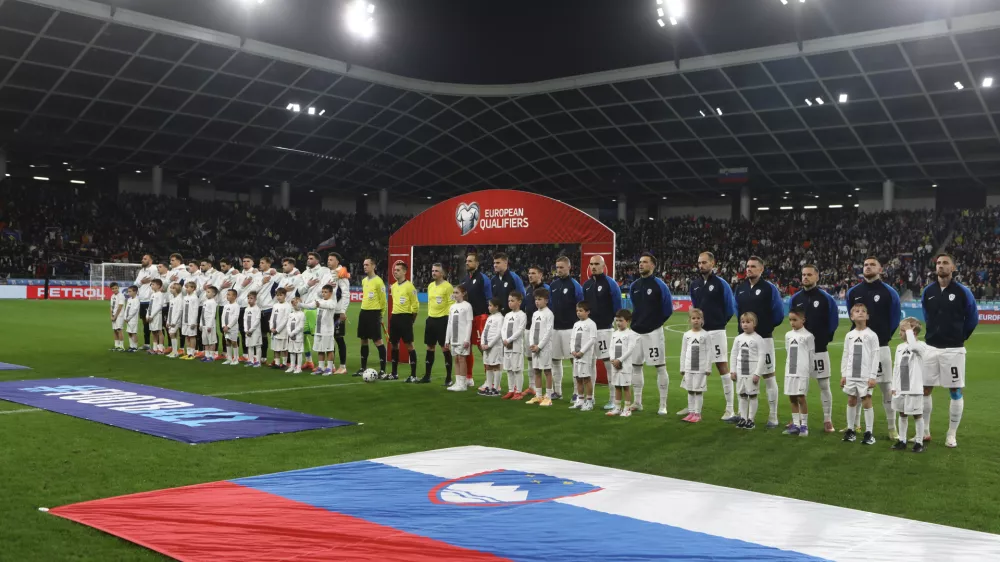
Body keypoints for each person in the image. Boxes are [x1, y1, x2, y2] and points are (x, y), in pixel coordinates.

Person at [921, 253, 978, 448]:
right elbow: (927, 315)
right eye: (938, 263)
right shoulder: (928, 291)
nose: (941, 266)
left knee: (955, 390)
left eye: (945, 263)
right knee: (925, 389)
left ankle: (951, 434)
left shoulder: (963, 292)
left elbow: (972, 318)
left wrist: (961, 337)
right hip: (930, 348)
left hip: (953, 350)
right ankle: (925, 431)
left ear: (953, 268)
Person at [846, 256, 902, 439]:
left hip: (882, 347)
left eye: (872, 265)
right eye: (865, 265)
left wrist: (884, 336)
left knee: (887, 388)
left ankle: (892, 427)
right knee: (857, 388)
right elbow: (851, 314)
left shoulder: (889, 292)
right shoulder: (854, 292)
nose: (868, 267)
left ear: (880, 269)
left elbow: (894, 319)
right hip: (858, 348)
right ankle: (855, 425)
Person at [789, 264, 840, 433]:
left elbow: (833, 322)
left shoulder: (826, 298)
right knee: (796, 387)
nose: (805, 277)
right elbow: (792, 321)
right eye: (803, 274)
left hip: (819, 349)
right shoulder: (796, 298)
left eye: (809, 274)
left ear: (817, 277)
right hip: (799, 352)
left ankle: (827, 419)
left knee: (824, 385)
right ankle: (797, 419)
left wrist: (824, 340)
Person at [734, 256, 784, 428]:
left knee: (769, 377)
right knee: (744, 377)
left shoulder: (769, 289)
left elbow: (778, 313)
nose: (749, 269)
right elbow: (737, 310)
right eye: (747, 266)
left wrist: (764, 329)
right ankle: (744, 416)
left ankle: (773, 416)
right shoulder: (740, 288)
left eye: (753, 266)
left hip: (764, 339)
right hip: (744, 341)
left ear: (761, 269)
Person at [688, 252, 737, 420]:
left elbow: (730, 308)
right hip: (700, 333)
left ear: (713, 263)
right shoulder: (694, 284)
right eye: (699, 263)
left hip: (716, 332)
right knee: (696, 368)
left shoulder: (721, 284)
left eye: (704, 262)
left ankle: (730, 408)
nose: (701, 265)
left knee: (722, 366)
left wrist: (718, 322)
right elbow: (696, 308)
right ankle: (693, 407)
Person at [627, 252, 673, 414]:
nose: (641, 265)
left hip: (653, 332)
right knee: (635, 367)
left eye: (645, 262)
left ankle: (663, 404)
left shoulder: (659, 285)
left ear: (653, 265)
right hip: (636, 332)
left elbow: (668, 309)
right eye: (640, 262)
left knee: (660, 367)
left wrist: (654, 324)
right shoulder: (634, 286)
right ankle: (637, 402)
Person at [582, 256, 623, 411]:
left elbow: (617, 306)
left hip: (605, 330)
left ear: (604, 266)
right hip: (589, 330)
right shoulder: (586, 285)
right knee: (589, 364)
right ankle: (590, 399)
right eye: (591, 264)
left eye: (596, 264)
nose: (593, 266)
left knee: (608, 364)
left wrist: (615, 322)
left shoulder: (610, 283)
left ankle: (613, 399)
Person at [840, 303, 880, 445]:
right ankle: (850, 430)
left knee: (866, 400)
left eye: (863, 311)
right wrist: (844, 374)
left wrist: (873, 376)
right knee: (851, 400)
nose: (860, 313)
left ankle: (869, 432)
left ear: (867, 316)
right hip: (851, 374)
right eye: (857, 311)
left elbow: (876, 356)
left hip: (865, 375)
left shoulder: (872, 335)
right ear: (851, 316)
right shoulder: (849, 335)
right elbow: (845, 355)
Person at [549, 256, 584, 401]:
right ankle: (557, 391)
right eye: (557, 267)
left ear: (569, 268)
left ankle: (577, 392)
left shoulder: (575, 285)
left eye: (562, 267)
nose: (559, 270)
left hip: (570, 328)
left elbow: (581, 306)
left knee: (574, 360)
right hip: (555, 329)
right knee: (555, 360)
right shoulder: (553, 285)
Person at [892, 318, 928, 453]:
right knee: (902, 414)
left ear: (912, 331)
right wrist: (894, 386)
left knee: (917, 414)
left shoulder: (922, 346)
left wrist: (909, 331)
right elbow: (896, 367)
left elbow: (913, 347)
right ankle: (902, 440)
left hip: (914, 388)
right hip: (901, 387)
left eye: (902, 330)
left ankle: (919, 442)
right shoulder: (899, 347)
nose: (900, 333)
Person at [461, 253, 493, 388]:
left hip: (481, 317)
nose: (467, 263)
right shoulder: (465, 280)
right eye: (466, 261)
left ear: (477, 263)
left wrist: (488, 316)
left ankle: (489, 380)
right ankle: (469, 377)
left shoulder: (483, 279)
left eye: (470, 261)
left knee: (483, 348)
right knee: (467, 347)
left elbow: (489, 298)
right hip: (468, 319)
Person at [730, 312, 767, 429]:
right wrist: (732, 370)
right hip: (740, 371)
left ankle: (751, 419)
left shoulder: (758, 339)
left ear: (754, 323)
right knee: (742, 395)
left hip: (752, 371)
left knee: (752, 395)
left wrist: (757, 373)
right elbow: (733, 354)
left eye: (748, 322)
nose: (745, 325)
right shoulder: (738, 338)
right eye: (743, 322)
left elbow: (762, 356)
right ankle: (743, 418)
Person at [782, 309, 814, 436]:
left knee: (801, 397)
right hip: (790, 370)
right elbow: (787, 351)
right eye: (790, 320)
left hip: (802, 371)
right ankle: (795, 425)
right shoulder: (788, 335)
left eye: (795, 320)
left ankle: (804, 426)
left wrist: (809, 371)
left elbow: (811, 355)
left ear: (803, 320)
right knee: (792, 397)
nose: (792, 323)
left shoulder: (808, 336)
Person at [357, 257, 388, 378]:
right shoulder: (364, 281)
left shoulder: (378, 281)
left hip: (374, 313)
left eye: (367, 265)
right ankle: (362, 368)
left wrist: (381, 315)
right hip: (363, 312)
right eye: (364, 265)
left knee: (377, 341)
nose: (365, 267)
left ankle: (382, 370)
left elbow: (383, 300)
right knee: (363, 340)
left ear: (373, 266)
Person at [423, 263, 454, 385]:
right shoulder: (430, 286)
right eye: (432, 270)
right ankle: (427, 376)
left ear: (442, 273)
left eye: (436, 271)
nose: (433, 272)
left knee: (445, 347)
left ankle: (448, 378)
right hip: (431, 319)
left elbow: (451, 304)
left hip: (443, 320)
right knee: (430, 347)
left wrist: (449, 321)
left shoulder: (448, 287)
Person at [521, 265, 549, 398]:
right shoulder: (527, 290)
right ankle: (532, 386)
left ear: (540, 275)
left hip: (542, 331)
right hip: (529, 329)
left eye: (533, 273)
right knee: (530, 357)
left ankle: (551, 390)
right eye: (529, 273)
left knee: (547, 361)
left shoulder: (546, 289)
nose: (530, 275)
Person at [679, 308, 711, 423]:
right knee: (690, 390)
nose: (696, 320)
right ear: (689, 320)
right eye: (693, 318)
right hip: (688, 367)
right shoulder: (686, 335)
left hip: (700, 367)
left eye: (698, 318)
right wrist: (682, 367)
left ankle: (698, 413)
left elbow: (708, 351)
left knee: (698, 390)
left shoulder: (705, 335)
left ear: (702, 320)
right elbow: (683, 351)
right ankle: (691, 412)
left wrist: (708, 367)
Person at [389, 261, 419, 382]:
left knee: (409, 345)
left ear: (404, 272)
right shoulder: (393, 286)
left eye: (398, 270)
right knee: (394, 344)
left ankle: (413, 375)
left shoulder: (410, 287)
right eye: (395, 270)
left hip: (406, 317)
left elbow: (415, 306)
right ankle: (394, 373)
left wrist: (411, 320)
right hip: (395, 317)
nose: (395, 272)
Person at [300, 252, 329, 372]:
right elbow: (300, 290)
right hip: (305, 307)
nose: (308, 260)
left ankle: (326, 363)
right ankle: (309, 361)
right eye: (308, 258)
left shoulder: (324, 271)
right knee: (302, 335)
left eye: (311, 258)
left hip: (317, 307)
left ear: (317, 261)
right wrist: (307, 285)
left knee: (319, 336)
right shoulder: (304, 274)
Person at [526, 288, 555, 406]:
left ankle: (548, 396)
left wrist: (540, 346)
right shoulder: (535, 314)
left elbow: (548, 332)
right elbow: (532, 330)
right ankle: (538, 396)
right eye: (536, 299)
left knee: (547, 371)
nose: (537, 302)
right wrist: (532, 343)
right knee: (536, 370)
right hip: (535, 347)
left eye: (540, 299)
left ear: (546, 301)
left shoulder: (549, 314)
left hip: (544, 347)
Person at [606, 309, 638, 418]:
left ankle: (627, 408)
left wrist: (620, 360)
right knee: (617, 386)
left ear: (628, 321)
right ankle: (617, 407)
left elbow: (630, 349)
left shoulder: (631, 334)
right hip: (615, 364)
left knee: (626, 387)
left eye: (621, 320)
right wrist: (612, 358)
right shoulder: (614, 334)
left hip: (625, 365)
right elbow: (611, 347)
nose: (618, 323)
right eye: (617, 320)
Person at [326, 253, 352, 374]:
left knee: (338, 338)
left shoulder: (342, 274)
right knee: (329, 338)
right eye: (328, 259)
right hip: (328, 311)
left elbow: (346, 294)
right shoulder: (328, 274)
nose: (329, 261)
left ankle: (343, 366)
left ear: (337, 261)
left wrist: (343, 311)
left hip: (337, 312)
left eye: (331, 260)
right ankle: (330, 365)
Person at [569, 301, 597, 411]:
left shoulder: (591, 324)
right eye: (577, 311)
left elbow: (592, 339)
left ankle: (589, 401)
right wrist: (572, 350)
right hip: (576, 355)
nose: (578, 313)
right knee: (578, 378)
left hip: (585, 356)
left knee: (586, 378)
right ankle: (580, 401)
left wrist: (582, 351)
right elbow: (572, 338)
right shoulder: (576, 324)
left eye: (581, 311)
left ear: (588, 312)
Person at [445, 285, 473, 392]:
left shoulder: (467, 306)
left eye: (457, 293)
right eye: (454, 293)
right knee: (456, 359)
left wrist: (467, 339)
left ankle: (463, 383)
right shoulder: (452, 307)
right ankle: (457, 382)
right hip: (454, 338)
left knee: (462, 359)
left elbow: (469, 323)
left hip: (462, 337)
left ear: (463, 293)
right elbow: (449, 323)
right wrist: (447, 339)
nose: (454, 295)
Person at [235, 256, 261, 361]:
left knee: (254, 330)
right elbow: (235, 291)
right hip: (240, 306)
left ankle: (255, 356)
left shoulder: (257, 274)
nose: (245, 263)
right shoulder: (240, 275)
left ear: (253, 262)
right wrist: (242, 285)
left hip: (251, 306)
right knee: (242, 330)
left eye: (248, 261)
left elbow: (257, 288)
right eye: (244, 261)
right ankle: (246, 354)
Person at [502, 291, 527, 399]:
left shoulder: (522, 315)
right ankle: (511, 390)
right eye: (509, 301)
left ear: (519, 302)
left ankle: (519, 391)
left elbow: (520, 330)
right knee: (509, 369)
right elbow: (503, 329)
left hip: (516, 346)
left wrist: (510, 340)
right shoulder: (507, 315)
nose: (510, 303)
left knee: (517, 369)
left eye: (512, 301)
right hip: (506, 346)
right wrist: (504, 339)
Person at [307, 285, 337, 375]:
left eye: (326, 292)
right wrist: (299, 304)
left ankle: (329, 368)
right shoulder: (320, 301)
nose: (323, 294)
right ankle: (321, 367)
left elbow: (324, 305)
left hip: (327, 331)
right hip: (318, 329)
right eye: (323, 292)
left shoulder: (332, 302)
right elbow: (309, 306)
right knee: (320, 349)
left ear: (331, 293)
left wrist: (319, 304)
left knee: (329, 349)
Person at [479, 296, 505, 396]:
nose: (488, 307)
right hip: (486, 345)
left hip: (495, 346)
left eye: (490, 306)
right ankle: (489, 387)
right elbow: (485, 331)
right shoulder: (489, 318)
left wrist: (489, 345)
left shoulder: (500, 318)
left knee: (495, 366)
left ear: (496, 307)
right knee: (488, 366)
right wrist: (482, 343)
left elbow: (499, 333)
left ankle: (496, 388)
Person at [133, 254, 159, 350]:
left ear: (151, 261)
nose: (142, 260)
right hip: (142, 300)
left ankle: (158, 346)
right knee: (145, 322)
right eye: (142, 258)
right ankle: (147, 344)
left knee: (153, 323)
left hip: (150, 300)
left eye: (145, 259)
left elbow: (156, 281)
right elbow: (135, 284)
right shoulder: (141, 271)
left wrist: (148, 281)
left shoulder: (154, 269)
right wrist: (141, 282)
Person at [256, 257, 279, 365]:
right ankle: (263, 358)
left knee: (273, 334)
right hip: (259, 310)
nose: (260, 264)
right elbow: (252, 291)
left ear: (269, 264)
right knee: (262, 334)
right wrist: (261, 282)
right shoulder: (257, 276)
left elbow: (290, 274)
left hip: (270, 309)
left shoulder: (275, 275)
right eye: (260, 262)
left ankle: (277, 359)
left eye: (262, 262)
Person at [270, 287, 291, 371]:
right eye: (277, 295)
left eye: (281, 295)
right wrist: (271, 327)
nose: (279, 297)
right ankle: (277, 363)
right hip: (273, 330)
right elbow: (272, 317)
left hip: (282, 331)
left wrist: (278, 329)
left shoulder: (287, 306)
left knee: (284, 348)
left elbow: (285, 319)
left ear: (285, 295)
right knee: (276, 348)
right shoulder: (275, 305)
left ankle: (285, 363)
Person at [221, 289, 241, 366]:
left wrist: (228, 326)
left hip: (232, 328)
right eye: (227, 294)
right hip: (225, 327)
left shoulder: (236, 306)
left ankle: (236, 359)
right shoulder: (226, 305)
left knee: (234, 342)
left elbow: (235, 318)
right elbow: (223, 316)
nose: (227, 296)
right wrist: (223, 325)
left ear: (234, 296)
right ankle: (229, 358)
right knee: (228, 342)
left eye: (229, 294)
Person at [180, 281, 199, 360]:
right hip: (185, 320)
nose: (186, 289)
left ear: (193, 288)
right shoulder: (185, 297)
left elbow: (195, 310)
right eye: (186, 287)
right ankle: (188, 353)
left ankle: (192, 353)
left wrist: (194, 322)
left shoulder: (194, 298)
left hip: (191, 321)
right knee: (186, 336)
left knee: (191, 336)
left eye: (188, 287)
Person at [146, 279, 165, 355]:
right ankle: (154, 348)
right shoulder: (153, 294)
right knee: (153, 332)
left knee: (159, 331)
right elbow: (150, 305)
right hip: (151, 315)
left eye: (153, 284)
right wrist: (147, 315)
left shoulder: (160, 294)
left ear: (158, 286)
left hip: (157, 315)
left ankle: (160, 349)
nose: (151, 286)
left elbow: (159, 306)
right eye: (151, 284)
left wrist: (152, 315)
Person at [243, 290, 262, 368]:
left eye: (251, 298)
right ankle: (250, 360)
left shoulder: (257, 309)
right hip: (248, 331)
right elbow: (244, 320)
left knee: (257, 346)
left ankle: (258, 361)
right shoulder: (247, 309)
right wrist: (246, 330)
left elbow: (257, 320)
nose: (249, 300)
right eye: (248, 298)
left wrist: (251, 330)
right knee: (249, 346)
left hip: (255, 331)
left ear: (255, 300)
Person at [286, 296, 306, 374]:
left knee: (298, 351)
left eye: (296, 303)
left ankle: (299, 368)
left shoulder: (302, 314)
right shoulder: (291, 314)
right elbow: (288, 324)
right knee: (291, 351)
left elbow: (300, 326)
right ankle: (292, 366)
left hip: (298, 336)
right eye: (293, 303)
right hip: (291, 336)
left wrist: (293, 332)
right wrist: (289, 333)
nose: (295, 305)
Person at [200, 286, 219, 362]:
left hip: (209, 325)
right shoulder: (205, 302)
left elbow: (212, 314)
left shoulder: (213, 302)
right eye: (206, 292)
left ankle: (211, 356)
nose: (206, 293)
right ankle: (206, 355)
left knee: (211, 341)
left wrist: (210, 325)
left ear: (213, 294)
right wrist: (201, 324)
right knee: (205, 341)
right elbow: (203, 314)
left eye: (208, 292)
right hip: (204, 324)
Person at [166, 283, 183, 359]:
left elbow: (179, 311)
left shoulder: (179, 299)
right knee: (172, 335)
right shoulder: (172, 298)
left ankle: (175, 352)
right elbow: (170, 311)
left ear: (176, 289)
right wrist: (168, 321)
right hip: (171, 320)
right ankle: (174, 351)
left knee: (172, 334)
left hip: (176, 320)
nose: (171, 289)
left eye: (172, 288)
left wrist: (174, 321)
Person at [109, 282, 125, 352]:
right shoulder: (112, 296)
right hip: (114, 316)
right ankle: (116, 345)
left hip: (119, 316)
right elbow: (111, 307)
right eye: (113, 289)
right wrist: (111, 316)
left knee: (119, 330)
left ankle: (121, 346)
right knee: (115, 330)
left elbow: (120, 307)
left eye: (116, 288)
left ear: (118, 288)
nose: (114, 290)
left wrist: (115, 316)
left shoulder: (121, 296)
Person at [123, 285, 140, 352]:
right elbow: (126, 309)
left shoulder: (137, 300)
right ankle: (131, 346)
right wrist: (125, 317)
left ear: (135, 291)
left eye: (130, 291)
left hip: (133, 319)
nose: (128, 293)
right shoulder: (129, 299)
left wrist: (128, 318)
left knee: (133, 333)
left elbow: (134, 310)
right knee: (129, 332)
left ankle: (135, 347)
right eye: (128, 291)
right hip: (128, 319)